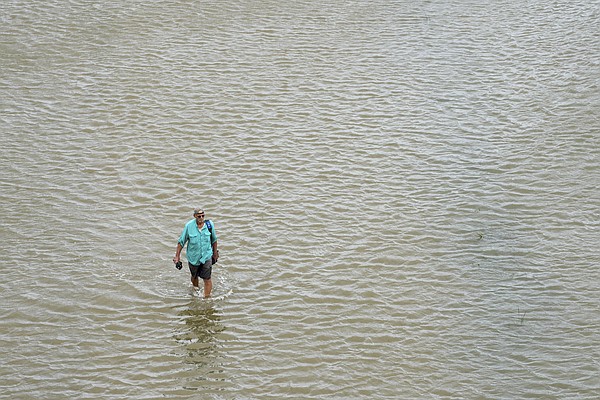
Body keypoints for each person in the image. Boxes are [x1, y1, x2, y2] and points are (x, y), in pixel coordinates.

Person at [173, 208, 219, 297]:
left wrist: (215, 253)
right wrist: (177, 257)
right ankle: (195, 290)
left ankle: (207, 298)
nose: (201, 218)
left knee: (207, 278)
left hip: (206, 256)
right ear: (194, 216)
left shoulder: (209, 225)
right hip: (193, 258)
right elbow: (181, 242)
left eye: (203, 216)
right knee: (194, 277)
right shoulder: (189, 226)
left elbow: (214, 240)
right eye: (199, 216)